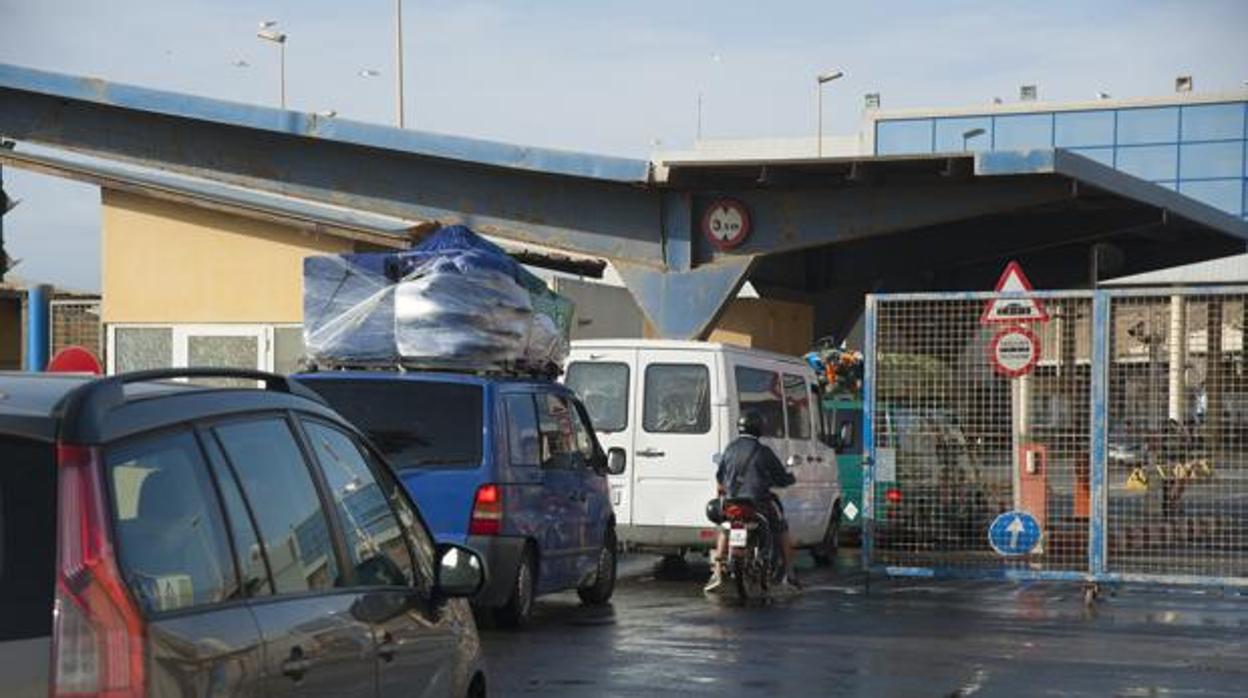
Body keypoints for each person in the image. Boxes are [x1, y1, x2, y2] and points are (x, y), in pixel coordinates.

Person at [705, 410, 799, 594]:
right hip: (758, 504)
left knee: (725, 528)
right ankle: (790, 574)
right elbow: (780, 478)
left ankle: (717, 572)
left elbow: (720, 476)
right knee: (781, 529)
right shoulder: (763, 452)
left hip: (732, 504)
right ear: (759, 428)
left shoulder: (730, 449)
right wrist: (790, 478)